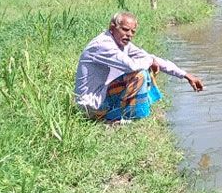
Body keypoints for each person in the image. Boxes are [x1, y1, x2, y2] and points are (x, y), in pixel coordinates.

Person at [74, 11, 203, 122]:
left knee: (144, 67)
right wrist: (150, 60)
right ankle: (118, 116)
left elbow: (150, 57)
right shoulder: (103, 45)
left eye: (132, 31)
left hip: (101, 95)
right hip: (90, 106)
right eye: (125, 29)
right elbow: (132, 66)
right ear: (112, 28)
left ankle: (123, 113)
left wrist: (185, 75)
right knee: (140, 74)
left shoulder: (121, 43)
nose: (129, 34)